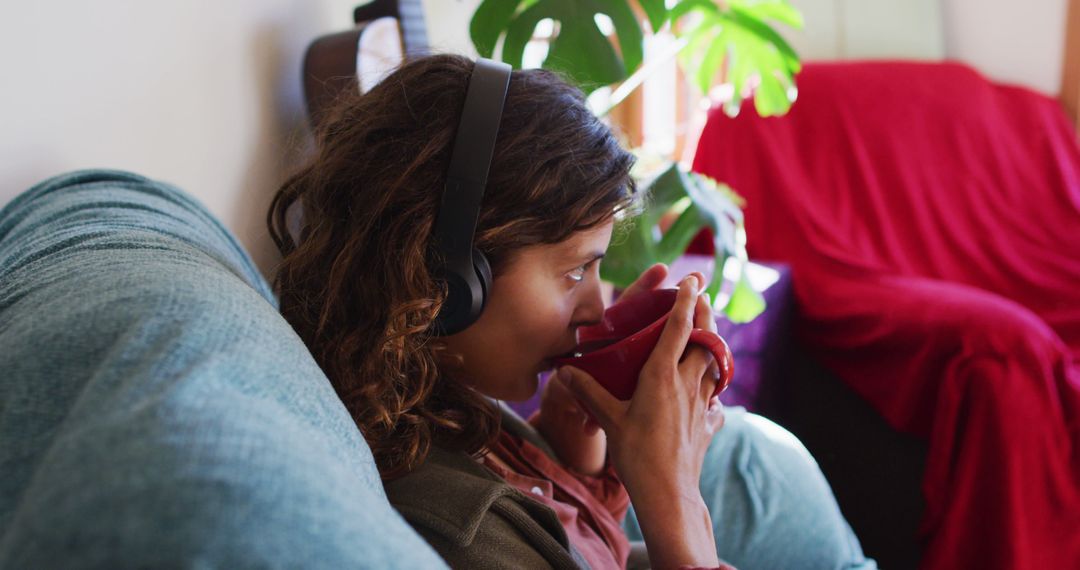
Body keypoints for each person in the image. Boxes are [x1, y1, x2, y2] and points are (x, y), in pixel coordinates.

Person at [268, 54, 875, 569]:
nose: (596, 306)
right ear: (446, 275)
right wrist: (676, 502)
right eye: (575, 270)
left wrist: (578, 464)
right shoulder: (464, 530)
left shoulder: (440, 402)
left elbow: (586, 551)